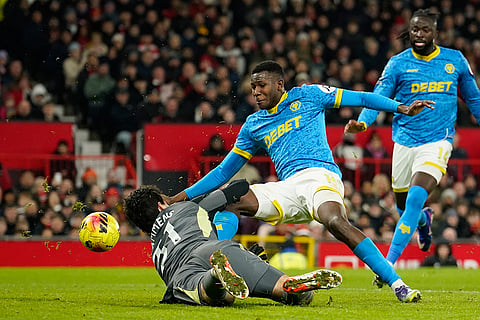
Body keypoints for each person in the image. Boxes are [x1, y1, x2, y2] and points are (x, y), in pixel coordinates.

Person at [165, 60, 434, 302]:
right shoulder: (254, 124)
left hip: (320, 177)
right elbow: (224, 171)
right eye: (252, 87)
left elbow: (362, 97)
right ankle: (219, 263)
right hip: (286, 189)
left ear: (280, 84)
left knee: (335, 222)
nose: (255, 92)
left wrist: (401, 107)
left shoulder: (308, 95)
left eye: (261, 85)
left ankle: (398, 284)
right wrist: (181, 197)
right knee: (229, 201)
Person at [344, 9, 480, 281]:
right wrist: (363, 123)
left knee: (417, 197)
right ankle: (423, 222)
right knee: (403, 207)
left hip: (438, 142)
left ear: (436, 33)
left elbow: (474, 99)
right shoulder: (397, 63)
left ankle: (388, 266)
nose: (419, 34)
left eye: (425, 30)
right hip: (404, 143)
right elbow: (378, 96)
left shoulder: (454, 61)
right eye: (415, 29)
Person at [124, 181, 343, 306]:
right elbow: (237, 188)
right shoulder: (186, 207)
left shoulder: (155, 250)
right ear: (162, 204)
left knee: (209, 293)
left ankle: (215, 277)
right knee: (290, 293)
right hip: (215, 248)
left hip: (182, 270)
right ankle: (291, 287)